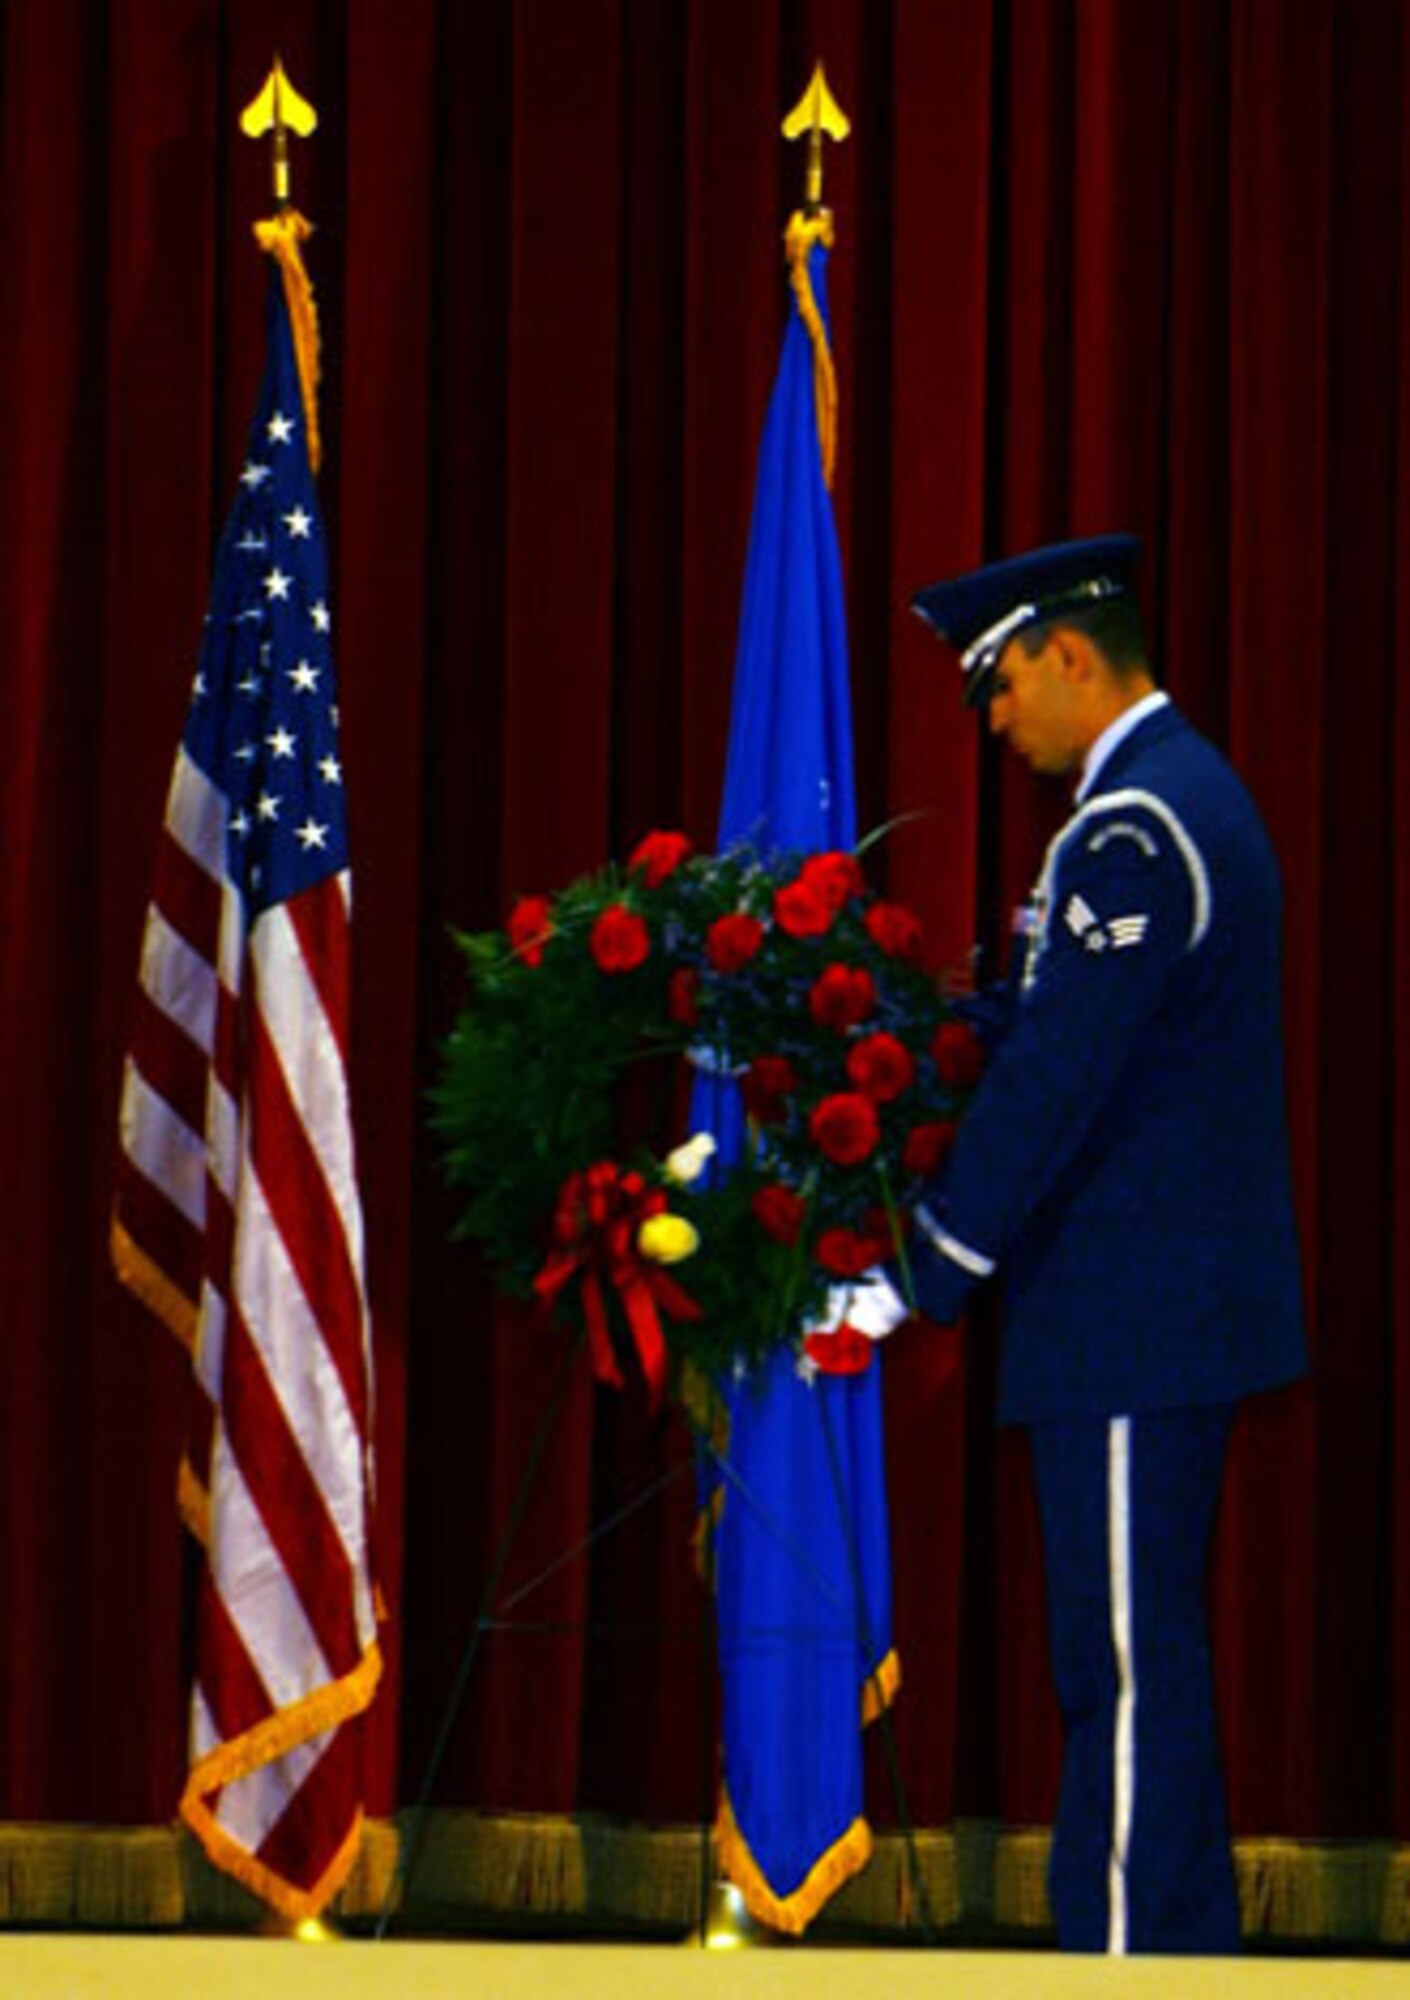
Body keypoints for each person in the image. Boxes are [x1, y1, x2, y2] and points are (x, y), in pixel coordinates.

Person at [892, 534, 1307, 1954]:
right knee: (1126, 1661)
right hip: (1146, 1315)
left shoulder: (1135, 825)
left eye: (996, 685)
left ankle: (1136, 1966)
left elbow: (1060, 1073)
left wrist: (924, 1272)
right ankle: (1160, 1948)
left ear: (1068, 652)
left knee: (1123, 1669)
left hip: (1135, 1314)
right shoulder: (1163, 801)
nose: (991, 719)